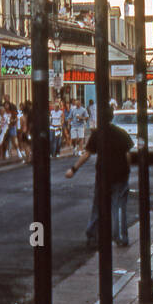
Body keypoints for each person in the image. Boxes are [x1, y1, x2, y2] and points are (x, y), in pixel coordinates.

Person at [66, 105, 132, 247]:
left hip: (103, 175)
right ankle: (120, 236)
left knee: (98, 206)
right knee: (119, 207)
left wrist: (73, 169)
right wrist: (127, 170)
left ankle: (93, 234)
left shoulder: (97, 134)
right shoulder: (121, 133)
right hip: (120, 174)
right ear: (112, 116)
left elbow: (87, 154)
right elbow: (128, 154)